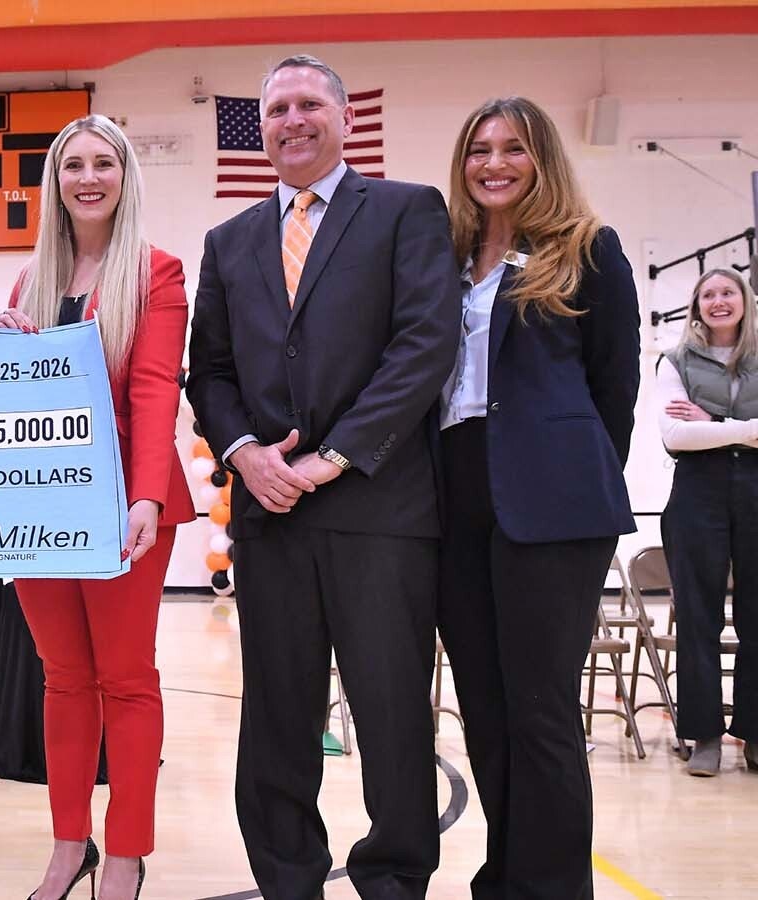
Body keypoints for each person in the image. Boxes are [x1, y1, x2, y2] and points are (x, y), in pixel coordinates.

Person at [185, 54, 459, 900]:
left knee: (389, 712)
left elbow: (424, 349)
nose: (291, 121)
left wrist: (327, 458)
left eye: (309, 105)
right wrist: (245, 455)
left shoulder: (408, 212)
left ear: (343, 119)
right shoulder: (229, 242)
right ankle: (288, 877)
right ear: (258, 127)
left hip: (379, 507)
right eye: (277, 110)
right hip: (270, 516)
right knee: (276, 719)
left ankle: (394, 875)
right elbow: (212, 373)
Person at [436, 96, 639, 899]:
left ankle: (551, 888)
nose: (493, 163)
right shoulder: (441, 255)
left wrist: (572, 482)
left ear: (541, 159)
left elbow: (612, 390)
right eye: (479, 149)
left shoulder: (590, 249)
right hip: (455, 492)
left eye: (513, 149)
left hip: (551, 502)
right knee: (484, 710)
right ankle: (507, 878)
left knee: (541, 710)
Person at [0, 114, 189, 900]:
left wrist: (142, 497)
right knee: (63, 680)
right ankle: (69, 846)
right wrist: (2, 348)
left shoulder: (158, 271)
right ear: (56, 182)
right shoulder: (30, 279)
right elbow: (14, 401)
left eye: (104, 162)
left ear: (124, 174)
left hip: (123, 510)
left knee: (127, 679)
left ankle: (130, 852)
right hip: (43, 510)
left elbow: (152, 392)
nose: (88, 177)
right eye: (73, 165)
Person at [659, 267, 758, 777]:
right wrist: (748, 431)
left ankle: (755, 733)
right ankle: (704, 736)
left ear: (744, 300)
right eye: (708, 295)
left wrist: (715, 425)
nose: (719, 301)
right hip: (697, 493)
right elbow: (676, 436)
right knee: (698, 618)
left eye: (728, 292)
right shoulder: (675, 361)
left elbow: (699, 429)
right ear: (696, 306)